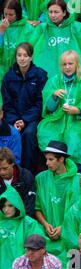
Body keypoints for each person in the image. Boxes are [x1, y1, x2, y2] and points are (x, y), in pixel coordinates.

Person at [37, 50, 81, 172]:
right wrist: (53, 96)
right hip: (56, 120)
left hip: (78, 121)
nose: (67, 67)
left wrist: (78, 110)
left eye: (70, 64)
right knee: (48, 134)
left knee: (75, 137)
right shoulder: (55, 81)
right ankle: (52, 170)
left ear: (77, 65)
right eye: (64, 64)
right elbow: (48, 109)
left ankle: (78, 171)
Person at [1, 42, 47, 174]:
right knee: (9, 133)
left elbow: (39, 103)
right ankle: (7, 172)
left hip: (32, 118)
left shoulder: (40, 75)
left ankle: (26, 173)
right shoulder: (8, 77)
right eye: (19, 55)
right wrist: (15, 120)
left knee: (28, 134)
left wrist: (25, 120)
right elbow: (7, 103)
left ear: (31, 57)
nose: (22, 58)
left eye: (25, 55)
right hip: (12, 117)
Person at [35, 140, 81, 269]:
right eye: (46, 159)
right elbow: (37, 209)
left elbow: (78, 212)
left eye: (51, 159)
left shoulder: (77, 180)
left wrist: (62, 227)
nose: (47, 163)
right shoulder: (41, 178)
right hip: (46, 232)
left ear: (61, 159)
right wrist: (45, 224)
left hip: (70, 233)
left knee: (73, 268)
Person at [30, 0, 81, 79]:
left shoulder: (78, 28)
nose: (53, 15)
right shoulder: (42, 29)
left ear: (64, 13)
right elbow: (30, 49)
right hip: (47, 78)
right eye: (50, 12)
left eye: (56, 12)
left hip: (73, 77)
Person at [0, 185, 45, 269]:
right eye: (3, 206)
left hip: (23, 266)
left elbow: (37, 243)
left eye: (10, 205)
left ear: (17, 205)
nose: (6, 209)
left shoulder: (28, 223)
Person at [0, 0, 36, 81]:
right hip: (2, 72)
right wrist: (1, 33)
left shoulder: (28, 29)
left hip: (22, 73)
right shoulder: (1, 26)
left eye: (11, 14)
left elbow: (33, 52)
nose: (7, 17)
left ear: (18, 14)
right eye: (5, 14)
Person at [0, 148, 35, 218]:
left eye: (5, 168)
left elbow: (30, 206)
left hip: (22, 222)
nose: (1, 172)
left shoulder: (26, 176)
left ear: (13, 164)